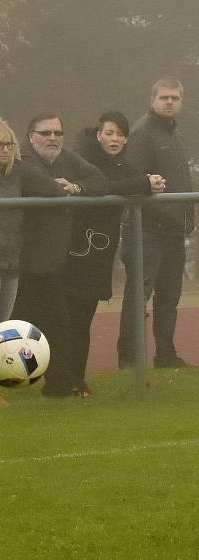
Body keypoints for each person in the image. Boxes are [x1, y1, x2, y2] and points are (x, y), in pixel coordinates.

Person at [0, 116, 66, 406]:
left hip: (10, 261)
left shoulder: (19, 174)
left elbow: (50, 190)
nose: (5, 149)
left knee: (0, 329)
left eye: (9, 143)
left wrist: (68, 186)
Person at [11, 113, 108, 397]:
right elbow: (44, 187)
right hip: (21, 262)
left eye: (58, 133)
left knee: (58, 323)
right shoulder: (23, 161)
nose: (53, 138)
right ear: (31, 137)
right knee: (6, 325)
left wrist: (76, 187)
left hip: (51, 262)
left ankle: (59, 386)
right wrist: (61, 188)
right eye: (46, 133)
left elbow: (99, 179)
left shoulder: (67, 157)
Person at [69, 111, 166, 395]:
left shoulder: (122, 162)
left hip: (99, 251)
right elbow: (104, 187)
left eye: (121, 134)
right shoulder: (83, 157)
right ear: (99, 134)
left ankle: (75, 380)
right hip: (75, 250)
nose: (116, 139)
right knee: (70, 317)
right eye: (110, 133)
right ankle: (66, 379)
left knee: (84, 316)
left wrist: (151, 182)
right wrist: (143, 183)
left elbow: (131, 180)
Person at [117, 77, 194, 369]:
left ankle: (166, 354)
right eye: (164, 97)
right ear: (153, 100)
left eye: (175, 98)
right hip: (147, 231)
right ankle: (129, 360)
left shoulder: (175, 134)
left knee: (169, 297)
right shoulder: (143, 133)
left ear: (181, 102)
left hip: (174, 231)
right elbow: (134, 178)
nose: (170, 102)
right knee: (139, 296)